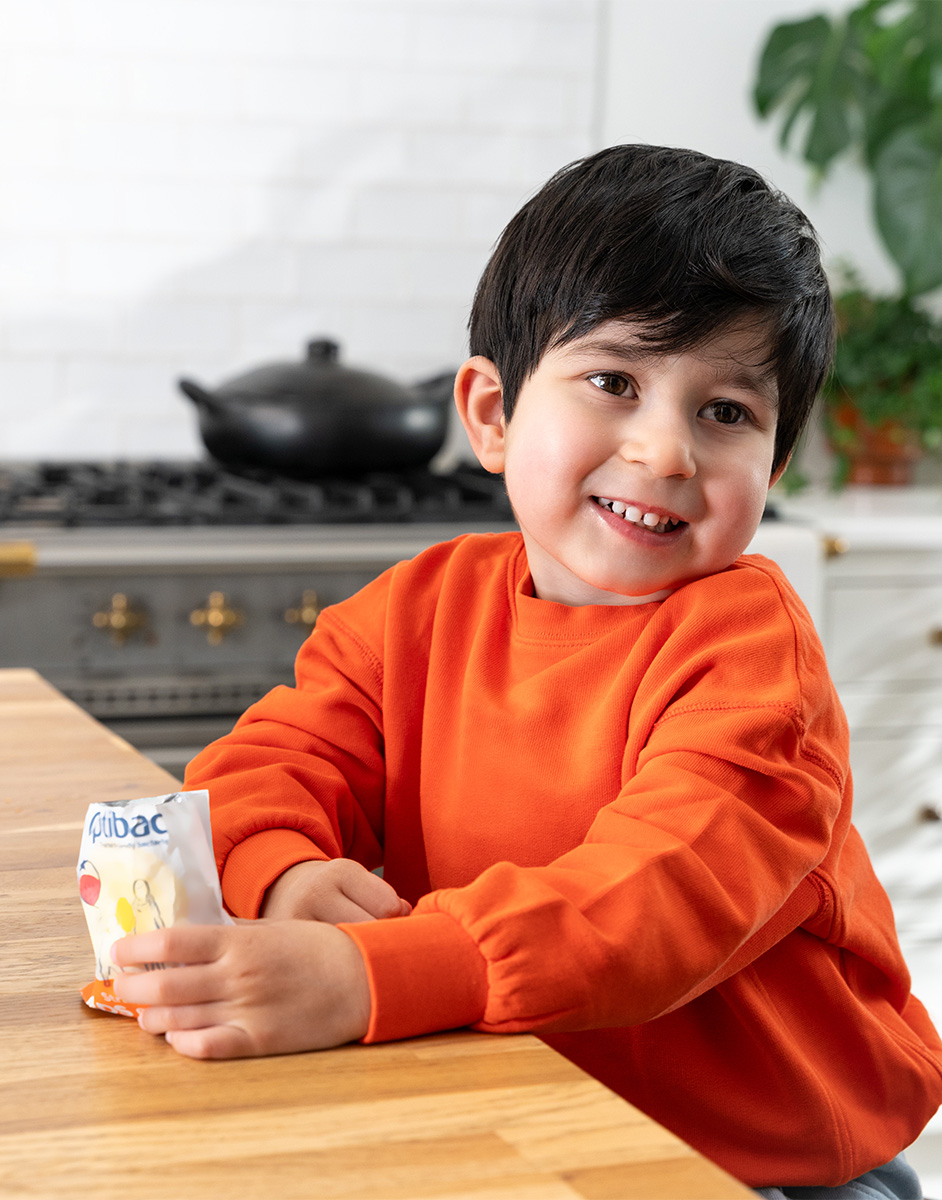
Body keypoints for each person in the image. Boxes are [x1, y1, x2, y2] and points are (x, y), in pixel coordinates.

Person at [111, 145, 942, 1195]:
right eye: (614, 381)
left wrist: (371, 979)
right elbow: (263, 761)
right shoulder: (416, 609)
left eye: (725, 412)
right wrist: (281, 869)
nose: (665, 451)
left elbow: (654, 899)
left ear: (773, 468)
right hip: (532, 1094)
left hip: (762, 1152)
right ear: (493, 416)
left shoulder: (752, 650)